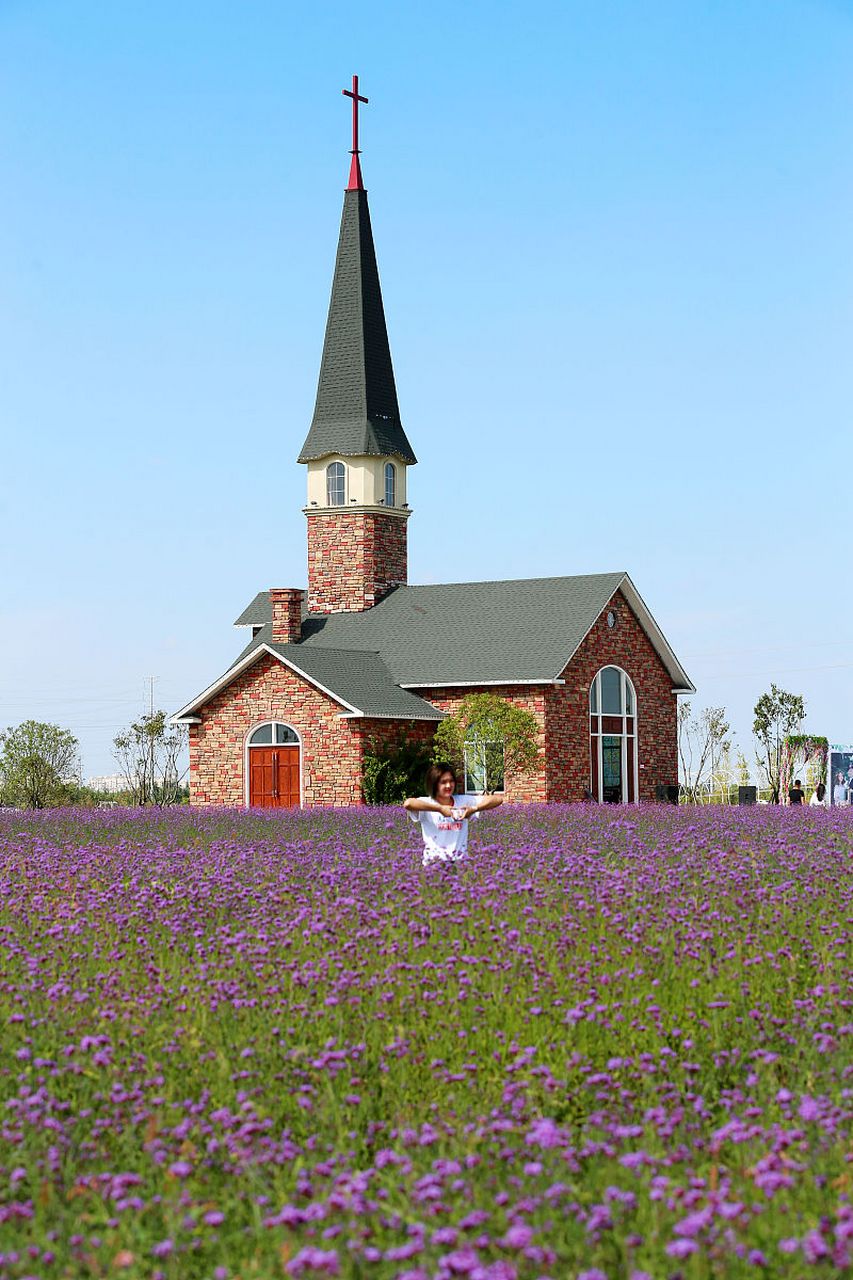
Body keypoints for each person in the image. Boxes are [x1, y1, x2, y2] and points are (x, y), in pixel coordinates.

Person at [403, 762, 502, 866]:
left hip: (459, 864)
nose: (448, 785)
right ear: (434, 784)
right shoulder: (426, 803)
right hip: (434, 864)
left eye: (451, 781)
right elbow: (408, 803)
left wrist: (474, 809)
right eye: (443, 782)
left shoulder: (463, 801)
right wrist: (440, 809)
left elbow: (497, 799)